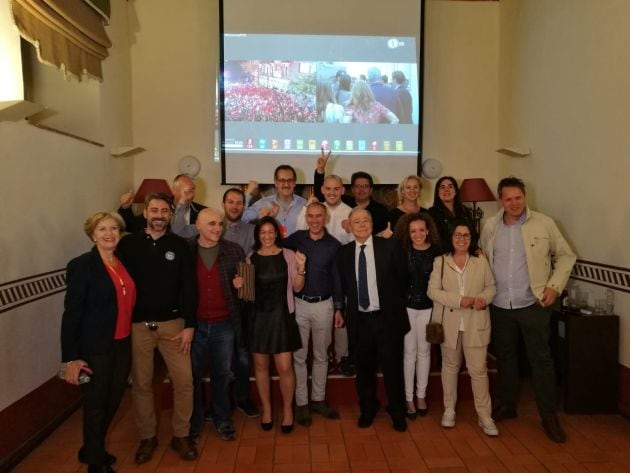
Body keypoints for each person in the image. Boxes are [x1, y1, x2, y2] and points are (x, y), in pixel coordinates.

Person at [479, 177, 576, 443]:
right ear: (501, 200)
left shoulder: (544, 223)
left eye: (518, 197)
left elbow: (566, 256)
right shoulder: (490, 226)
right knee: (507, 358)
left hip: (533, 304)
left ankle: (548, 415)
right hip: (499, 305)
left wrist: (555, 286)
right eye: (508, 199)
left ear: (525, 196)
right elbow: (484, 259)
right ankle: (508, 405)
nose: (514, 203)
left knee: (541, 360)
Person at [116, 193, 198, 463]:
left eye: (164, 210)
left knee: (184, 381)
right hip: (139, 326)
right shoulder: (128, 245)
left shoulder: (181, 246)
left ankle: (181, 435)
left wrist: (190, 326)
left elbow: (189, 288)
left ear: (171, 213)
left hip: (174, 326)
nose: (159, 215)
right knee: (141, 384)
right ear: (146, 213)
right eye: (154, 210)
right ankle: (147, 437)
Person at [61, 212, 136, 473]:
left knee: (113, 400)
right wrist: (71, 358)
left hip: (122, 343)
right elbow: (71, 314)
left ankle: (90, 447)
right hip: (95, 348)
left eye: (114, 228)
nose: (109, 233)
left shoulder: (122, 261)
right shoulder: (82, 265)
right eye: (102, 229)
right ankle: (95, 463)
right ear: (92, 234)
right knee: (95, 405)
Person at [337, 208, 409, 432]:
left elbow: (403, 279)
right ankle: (368, 409)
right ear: (349, 226)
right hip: (360, 321)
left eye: (365, 220)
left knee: (393, 370)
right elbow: (344, 285)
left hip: (387, 320)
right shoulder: (344, 253)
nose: (361, 225)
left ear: (371, 223)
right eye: (356, 221)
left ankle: (397, 412)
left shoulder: (390, 246)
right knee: (364, 370)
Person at [234, 216, 306, 433]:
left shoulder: (289, 255)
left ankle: (287, 411)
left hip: (282, 317)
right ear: (258, 235)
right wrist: (239, 286)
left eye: (270, 232)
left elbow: (297, 288)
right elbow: (246, 295)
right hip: (258, 319)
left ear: (277, 233)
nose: (267, 236)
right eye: (262, 232)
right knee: (261, 367)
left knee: (285, 367)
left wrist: (301, 268)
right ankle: (266, 410)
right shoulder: (250, 258)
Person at [427, 221, 499, 437]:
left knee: (478, 371)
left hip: (475, 323)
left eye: (466, 235)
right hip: (449, 324)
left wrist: (482, 299)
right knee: (450, 367)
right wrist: (460, 300)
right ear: (451, 238)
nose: (461, 239)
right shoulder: (440, 261)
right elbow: (433, 291)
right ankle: (449, 410)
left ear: (471, 238)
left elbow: (491, 287)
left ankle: (484, 415)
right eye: (457, 235)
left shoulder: (480, 261)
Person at [284, 202, 344, 427]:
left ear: (326, 218)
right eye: (311, 216)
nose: (315, 220)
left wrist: (339, 307)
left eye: (319, 216)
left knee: (321, 355)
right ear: (306, 218)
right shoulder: (296, 239)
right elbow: (272, 247)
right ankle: (301, 404)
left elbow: (338, 278)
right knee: (298, 356)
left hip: (324, 305)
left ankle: (318, 399)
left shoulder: (334, 245)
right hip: (299, 304)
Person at [189, 208, 246, 443]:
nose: (217, 228)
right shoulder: (185, 250)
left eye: (220, 224)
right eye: (211, 224)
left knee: (222, 374)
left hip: (224, 324)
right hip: (193, 326)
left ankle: (222, 420)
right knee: (190, 377)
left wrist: (241, 286)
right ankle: (193, 424)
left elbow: (247, 293)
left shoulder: (234, 250)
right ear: (198, 226)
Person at [392, 213, 440, 419]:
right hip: (408, 308)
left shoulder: (438, 252)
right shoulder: (402, 251)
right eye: (413, 231)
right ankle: (408, 398)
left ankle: (421, 395)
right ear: (407, 233)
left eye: (421, 230)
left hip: (430, 308)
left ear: (428, 230)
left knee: (425, 352)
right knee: (409, 353)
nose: (418, 234)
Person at [221, 187, 259, 417]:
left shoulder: (252, 231)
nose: (235, 206)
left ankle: (243, 397)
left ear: (244, 206)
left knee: (243, 354)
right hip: (219, 296)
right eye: (231, 202)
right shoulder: (214, 226)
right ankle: (222, 399)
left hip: (245, 296)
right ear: (223, 204)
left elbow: (253, 261)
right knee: (223, 354)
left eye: (239, 203)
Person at [313, 150, 390, 235]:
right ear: (352, 189)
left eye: (365, 186)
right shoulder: (344, 202)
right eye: (357, 186)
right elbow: (322, 196)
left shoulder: (381, 210)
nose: (361, 190)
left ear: (371, 190)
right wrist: (320, 170)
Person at [118, 174, 206, 235]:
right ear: (174, 190)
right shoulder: (160, 208)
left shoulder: (203, 212)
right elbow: (132, 226)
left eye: (192, 191)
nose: (190, 195)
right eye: (186, 191)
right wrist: (125, 207)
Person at [242, 165, 307, 238]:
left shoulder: (304, 205)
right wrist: (248, 194)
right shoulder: (263, 203)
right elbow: (242, 219)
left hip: (296, 248)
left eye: (290, 180)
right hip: (270, 248)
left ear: (294, 183)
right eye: (282, 180)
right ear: (276, 183)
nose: (286, 184)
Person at [428, 176, 474, 250]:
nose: (446, 189)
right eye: (442, 187)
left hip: (465, 252)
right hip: (443, 254)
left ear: (456, 191)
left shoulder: (465, 210)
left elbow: (472, 233)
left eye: (450, 186)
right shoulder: (432, 213)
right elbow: (435, 239)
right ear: (437, 193)